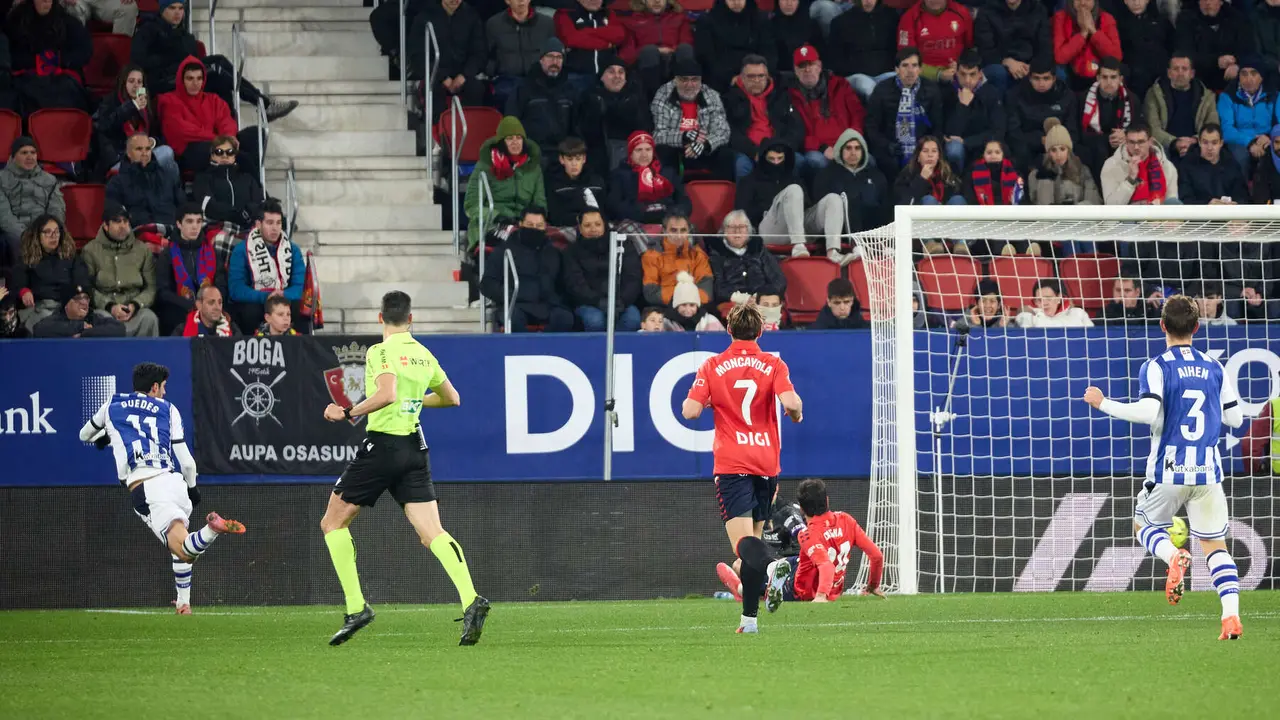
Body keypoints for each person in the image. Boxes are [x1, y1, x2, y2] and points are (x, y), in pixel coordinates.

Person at [320, 290, 488, 646]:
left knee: (332, 522)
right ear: (411, 320)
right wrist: (417, 399)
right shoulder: (423, 354)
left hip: (383, 446)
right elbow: (452, 398)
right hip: (415, 448)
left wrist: (345, 412)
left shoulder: (380, 351)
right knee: (433, 533)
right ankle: (471, 600)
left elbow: (386, 394)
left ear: (380, 318)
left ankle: (356, 607)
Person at [1082, 294, 1245, 640]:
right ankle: (1230, 617)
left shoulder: (1156, 366)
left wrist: (1103, 403)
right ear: (1197, 328)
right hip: (1208, 471)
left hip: (1169, 469)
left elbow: (1146, 413)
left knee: (1142, 525)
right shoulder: (1214, 367)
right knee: (1216, 547)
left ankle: (1173, 556)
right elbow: (1235, 417)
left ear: (1162, 327)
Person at [78, 362, 246, 615]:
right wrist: (192, 489)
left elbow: (84, 436)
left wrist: (102, 437)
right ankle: (183, 603)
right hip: (174, 481)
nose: (165, 393)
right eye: (164, 387)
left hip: (146, 487)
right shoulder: (169, 409)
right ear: (154, 387)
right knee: (179, 543)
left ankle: (213, 529)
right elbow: (187, 463)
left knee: (184, 550)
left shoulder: (111, 405)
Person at [682, 304, 804, 633]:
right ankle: (749, 620)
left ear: (729, 330)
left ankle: (772, 567)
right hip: (766, 462)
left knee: (743, 546)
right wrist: (797, 414)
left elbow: (690, 411)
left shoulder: (713, 365)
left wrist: (705, 400)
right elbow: (791, 403)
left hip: (733, 462)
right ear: (760, 331)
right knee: (753, 540)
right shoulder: (773, 363)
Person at [717, 479, 884, 602]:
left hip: (799, 590)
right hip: (817, 577)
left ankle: (739, 588)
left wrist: (820, 596)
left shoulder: (807, 534)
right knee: (762, 565)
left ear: (802, 509)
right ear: (826, 500)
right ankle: (769, 575)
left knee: (742, 568)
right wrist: (873, 585)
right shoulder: (847, 520)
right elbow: (876, 556)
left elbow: (826, 566)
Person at [734, 138, 847, 261]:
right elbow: (742, 213)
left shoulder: (794, 179)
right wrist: (775, 207)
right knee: (793, 190)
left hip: (800, 227)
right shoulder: (749, 181)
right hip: (770, 230)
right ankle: (798, 246)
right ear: (763, 158)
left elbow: (808, 204)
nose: (776, 163)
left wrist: (793, 206)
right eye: (771, 159)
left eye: (780, 158)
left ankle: (833, 252)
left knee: (834, 199)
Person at [157, 57, 265, 178]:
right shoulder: (168, 100)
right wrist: (220, 140)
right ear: (181, 80)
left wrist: (229, 135)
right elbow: (182, 130)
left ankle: (248, 186)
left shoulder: (213, 99)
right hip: (190, 151)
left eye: (199, 78)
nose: (195, 83)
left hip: (218, 143)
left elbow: (226, 120)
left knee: (255, 134)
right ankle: (260, 192)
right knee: (235, 155)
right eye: (190, 78)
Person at [480, 208, 575, 332]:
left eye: (539, 225)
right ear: (520, 224)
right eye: (530, 225)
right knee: (513, 319)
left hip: (547, 305)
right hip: (515, 304)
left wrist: (557, 299)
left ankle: (547, 349)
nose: (534, 228)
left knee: (565, 318)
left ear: (545, 226)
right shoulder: (504, 251)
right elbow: (487, 284)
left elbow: (563, 283)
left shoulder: (553, 253)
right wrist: (512, 295)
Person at [464, 117, 546, 252]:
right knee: (516, 240)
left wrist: (530, 221)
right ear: (501, 142)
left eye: (518, 138)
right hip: (490, 225)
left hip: (526, 225)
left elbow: (540, 203)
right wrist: (497, 216)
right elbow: (471, 206)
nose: (515, 142)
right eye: (510, 138)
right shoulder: (484, 166)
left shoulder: (534, 169)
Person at [80, 202, 161, 337]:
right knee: (100, 320)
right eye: (117, 222)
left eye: (125, 221)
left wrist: (135, 305)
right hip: (104, 310)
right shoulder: (90, 250)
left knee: (149, 318)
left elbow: (151, 287)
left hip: (135, 308)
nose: (123, 226)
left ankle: (148, 359)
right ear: (105, 226)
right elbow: (87, 288)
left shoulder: (142, 249)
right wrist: (110, 306)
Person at [227, 199, 307, 335]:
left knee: (301, 307)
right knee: (248, 311)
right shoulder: (242, 250)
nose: (275, 228)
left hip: (285, 300)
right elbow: (236, 289)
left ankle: (299, 349)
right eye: (270, 223)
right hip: (257, 301)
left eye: (278, 223)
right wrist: (266, 296)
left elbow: (301, 286)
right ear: (258, 224)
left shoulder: (293, 250)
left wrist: (282, 295)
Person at [786, 45, 866, 179]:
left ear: (819, 65)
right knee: (818, 162)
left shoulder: (840, 85)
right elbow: (796, 134)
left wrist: (850, 142)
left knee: (870, 161)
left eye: (811, 64)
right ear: (795, 71)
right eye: (802, 66)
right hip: (818, 150)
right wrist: (822, 148)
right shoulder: (790, 96)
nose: (807, 70)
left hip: (848, 143)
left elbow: (858, 115)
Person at [650, 57, 735, 180]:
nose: (689, 85)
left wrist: (705, 144)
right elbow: (658, 135)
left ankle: (720, 193)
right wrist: (684, 137)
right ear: (675, 80)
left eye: (694, 80)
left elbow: (723, 131)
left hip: (703, 148)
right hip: (676, 148)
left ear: (701, 81)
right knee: (662, 151)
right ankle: (668, 194)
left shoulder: (711, 95)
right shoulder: (663, 95)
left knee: (726, 154)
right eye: (684, 80)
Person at [723, 55, 805, 179]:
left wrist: (783, 149)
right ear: (741, 78)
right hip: (748, 152)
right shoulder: (730, 98)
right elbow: (729, 132)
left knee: (799, 161)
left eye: (761, 76)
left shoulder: (781, 96)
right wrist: (754, 152)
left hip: (779, 148)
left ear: (767, 77)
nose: (756, 80)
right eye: (751, 76)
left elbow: (796, 127)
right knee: (742, 165)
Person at [864, 48, 944, 174]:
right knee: (890, 163)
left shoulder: (932, 90)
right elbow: (871, 127)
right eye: (905, 66)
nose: (910, 71)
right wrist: (886, 145)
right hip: (890, 147)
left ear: (920, 69)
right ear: (896, 69)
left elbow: (937, 126)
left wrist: (927, 149)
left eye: (914, 65)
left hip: (922, 147)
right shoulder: (882, 90)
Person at [563, 208, 643, 331]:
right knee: (595, 321)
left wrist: (622, 301)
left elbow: (633, 277)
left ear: (605, 225)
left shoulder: (622, 245)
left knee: (632, 319)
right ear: (580, 228)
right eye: (587, 225)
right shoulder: (572, 251)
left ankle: (621, 350)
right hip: (588, 303)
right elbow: (574, 284)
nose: (593, 229)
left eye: (597, 224)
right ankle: (596, 350)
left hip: (621, 302)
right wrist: (598, 301)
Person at [92, 65, 178, 177]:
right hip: (120, 159)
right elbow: (106, 126)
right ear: (124, 83)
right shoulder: (109, 103)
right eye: (131, 81)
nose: (135, 86)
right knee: (166, 156)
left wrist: (152, 141)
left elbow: (159, 135)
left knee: (169, 157)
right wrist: (132, 106)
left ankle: (166, 194)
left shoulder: (146, 107)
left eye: (139, 82)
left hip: (144, 155)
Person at [7, 0, 92, 113]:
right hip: (27, 80)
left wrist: (57, 61)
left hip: (61, 81)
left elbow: (84, 51)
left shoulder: (67, 21)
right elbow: (10, 56)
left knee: (68, 89)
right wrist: (36, 62)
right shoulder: (16, 23)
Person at [155, 204, 223, 335]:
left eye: (199, 221)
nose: (195, 226)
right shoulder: (168, 253)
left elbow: (221, 283)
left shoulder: (211, 251)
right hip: (180, 308)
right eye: (189, 221)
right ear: (179, 224)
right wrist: (190, 305)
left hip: (210, 305)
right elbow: (162, 292)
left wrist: (211, 303)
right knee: (169, 315)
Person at [11, 214, 87, 331]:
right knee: (48, 324)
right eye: (47, 232)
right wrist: (24, 292)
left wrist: (78, 298)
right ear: (37, 235)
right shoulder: (27, 257)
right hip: (40, 307)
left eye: (56, 232)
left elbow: (81, 281)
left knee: (107, 322)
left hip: (67, 306)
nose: (53, 236)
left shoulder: (71, 256)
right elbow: (18, 281)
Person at [706, 209, 788, 316]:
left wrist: (761, 296)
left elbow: (779, 280)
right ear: (725, 231)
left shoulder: (758, 248)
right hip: (734, 302)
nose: (737, 232)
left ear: (748, 230)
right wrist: (744, 299)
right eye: (732, 227)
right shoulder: (716, 253)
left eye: (741, 227)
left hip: (763, 300)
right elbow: (718, 288)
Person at [1006, 58, 1080, 172]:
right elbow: (1013, 133)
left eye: (1046, 78)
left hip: (1060, 148)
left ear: (1054, 78)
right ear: (1030, 78)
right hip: (1028, 148)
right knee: (1019, 151)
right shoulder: (1015, 96)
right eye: (1036, 78)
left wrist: (1056, 142)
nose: (1041, 83)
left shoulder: (1067, 96)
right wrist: (1039, 140)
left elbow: (1073, 131)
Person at [1144, 53, 1220, 161]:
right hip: (1165, 147)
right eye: (1176, 69)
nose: (1180, 73)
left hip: (1197, 145)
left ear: (1192, 73)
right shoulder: (1154, 94)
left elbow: (1213, 125)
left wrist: (1194, 140)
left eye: (1184, 69)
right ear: (1169, 73)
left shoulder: (1206, 96)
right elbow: (1153, 128)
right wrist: (1175, 142)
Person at [813, 129, 889, 232]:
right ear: (840, 149)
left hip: (872, 238)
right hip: (838, 236)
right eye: (848, 148)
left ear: (863, 151)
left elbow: (885, 208)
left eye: (857, 148)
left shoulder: (876, 176)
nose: (853, 153)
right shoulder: (826, 175)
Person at [693, 0, 777, 92]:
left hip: (756, 76)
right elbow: (706, 57)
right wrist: (730, 78)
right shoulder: (707, 21)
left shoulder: (760, 19)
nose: (736, 2)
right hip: (720, 79)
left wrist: (759, 75)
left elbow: (769, 51)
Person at [943, 51, 1007, 171]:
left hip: (981, 145)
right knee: (954, 149)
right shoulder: (947, 92)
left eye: (972, 74)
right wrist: (963, 106)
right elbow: (949, 134)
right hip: (958, 149)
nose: (967, 80)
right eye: (963, 74)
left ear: (980, 74)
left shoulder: (991, 93)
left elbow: (998, 131)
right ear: (956, 72)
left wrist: (967, 141)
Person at [106, 133, 187, 227]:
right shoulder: (117, 182)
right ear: (128, 153)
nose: (144, 153)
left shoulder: (168, 177)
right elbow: (113, 214)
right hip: (139, 233)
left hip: (170, 230)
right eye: (139, 149)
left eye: (148, 149)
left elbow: (183, 206)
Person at [1078, 58, 1140, 179]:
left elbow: (1138, 126)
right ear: (1097, 78)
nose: (1109, 82)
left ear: (1120, 79)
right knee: (1099, 150)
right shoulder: (1084, 99)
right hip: (1094, 144)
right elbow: (1080, 132)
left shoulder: (1132, 100)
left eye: (1113, 77)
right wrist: (1107, 139)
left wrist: (1125, 135)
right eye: (1104, 77)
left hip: (1123, 142)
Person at [974, 0, 1052, 95]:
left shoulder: (1038, 9)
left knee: (1058, 74)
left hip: (1031, 64)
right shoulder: (986, 10)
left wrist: (1034, 66)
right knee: (998, 73)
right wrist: (1006, 61)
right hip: (999, 63)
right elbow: (984, 50)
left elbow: (1045, 47)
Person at [826, 0, 899, 100]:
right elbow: (835, 58)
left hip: (887, 72)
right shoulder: (841, 22)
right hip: (857, 76)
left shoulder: (891, 16)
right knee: (869, 89)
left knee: (901, 86)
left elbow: (896, 49)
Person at [619, 0, 694, 95]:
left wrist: (671, 50)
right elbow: (627, 54)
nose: (657, 1)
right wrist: (655, 50)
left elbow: (687, 41)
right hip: (646, 65)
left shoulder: (679, 18)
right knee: (649, 52)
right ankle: (653, 99)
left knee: (685, 49)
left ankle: (685, 96)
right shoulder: (632, 21)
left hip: (673, 62)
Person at [0, 137, 65, 245]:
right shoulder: (1, 179)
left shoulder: (50, 180)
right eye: (24, 153)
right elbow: (4, 217)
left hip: (44, 231)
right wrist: (26, 236)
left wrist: (48, 231)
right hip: (15, 234)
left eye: (33, 152)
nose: (30, 157)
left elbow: (57, 211)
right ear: (13, 157)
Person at [1216, 57, 1276, 174]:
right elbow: (1226, 130)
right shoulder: (1227, 97)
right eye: (1244, 74)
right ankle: (1240, 191)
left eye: (1254, 74)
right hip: (1239, 141)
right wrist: (1249, 142)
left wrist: (1270, 137)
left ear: (1261, 77)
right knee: (1240, 157)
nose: (1249, 79)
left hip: (1267, 139)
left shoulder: (1274, 96)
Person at [191, 135, 265, 229]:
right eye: (219, 152)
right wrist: (239, 214)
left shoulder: (247, 178)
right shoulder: (203, 178)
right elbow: (209, 206)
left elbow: (258, 203)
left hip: (249, 226)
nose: (224, 156)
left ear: (234, 156)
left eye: (230, 152)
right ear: (212, 155)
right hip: (216, 226)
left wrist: (246, 214)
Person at [641, 211, 712, 306]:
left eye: (683, 230)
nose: (679, 236)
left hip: (694, 308)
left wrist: (687, 302)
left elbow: (707, 293)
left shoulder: (698, 255)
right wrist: (683, 298)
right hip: (663, 308)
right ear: (664, 231)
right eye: (673, 230)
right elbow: (651, 293)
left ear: (689, 231)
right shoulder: (651, 255)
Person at [1101, 121, 1180, 205]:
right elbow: (1111, 206)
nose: (1136, 147)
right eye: (1132, 142)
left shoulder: (1167, 166)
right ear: (1126, 142)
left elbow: (1171, 204)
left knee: (1174, 203)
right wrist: (1130, 179)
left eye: (1141, 142)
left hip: (1158, 216)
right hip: (1126, 216)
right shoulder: (1111, 165)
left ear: (1150, 142)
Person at [1028, 118, 1103, 206]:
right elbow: (1040, 208)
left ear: (1069, 150)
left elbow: (1093, 202)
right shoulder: (1036, 175)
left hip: (1078, 218)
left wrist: (1073, 210)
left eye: (1062, 149)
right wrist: (1046, 180)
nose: (1058, 154)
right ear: (1048, 152)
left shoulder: (1083, 171)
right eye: (1053, 150)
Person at [1052, 0, 1122, 92]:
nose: (1083, 3)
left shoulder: (1106, 18)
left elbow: (1115, 57)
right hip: (1072, 74)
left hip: (1099, 74)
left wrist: (1093, 31)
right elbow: (1060, 57)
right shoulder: (1061, 17)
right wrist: (1083, 33)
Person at [1178, 123, 1248, 205]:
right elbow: (1185, 199)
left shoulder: (1232, 164)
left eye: (1214, 143)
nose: (1209, 148)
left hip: (1230, 215)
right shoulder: (1187, 165)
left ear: (1221, 143)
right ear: (1199, 142)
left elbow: (1243, 196)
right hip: (1200, 216)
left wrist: (1236, 204)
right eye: (1205, 142)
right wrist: (1207, 205)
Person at [893, 136, 965, 209]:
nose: (930, 155)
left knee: (957, 200)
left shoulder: (948, 175)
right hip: (918, 218)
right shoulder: (907, 175)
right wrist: (921, 179)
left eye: (934, 151)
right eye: (925, 151)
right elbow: (905, 205)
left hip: (947, 218)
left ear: (938, 156)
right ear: (918, 157)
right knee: (929, 200)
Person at [31, 282, 126, 337]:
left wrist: (85, 334)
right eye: (77, 298)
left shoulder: (93, 318)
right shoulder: (56, 318)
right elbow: (39, 330)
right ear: (66, 304)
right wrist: (79, 326)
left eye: (86, 298)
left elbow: (120, 328)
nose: (84, 302)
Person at [1015, 278, 1094, 327]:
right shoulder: (1029, 315)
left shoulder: (1077, 313)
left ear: (1059, 298)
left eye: (1048, 298)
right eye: (1039, 300)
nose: (1044, 303)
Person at [173, 284, 238, 337]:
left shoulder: (232, 328)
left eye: (220, 302)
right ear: (199, 305)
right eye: (211, 302)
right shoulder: (182, 330)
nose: (217, 307)